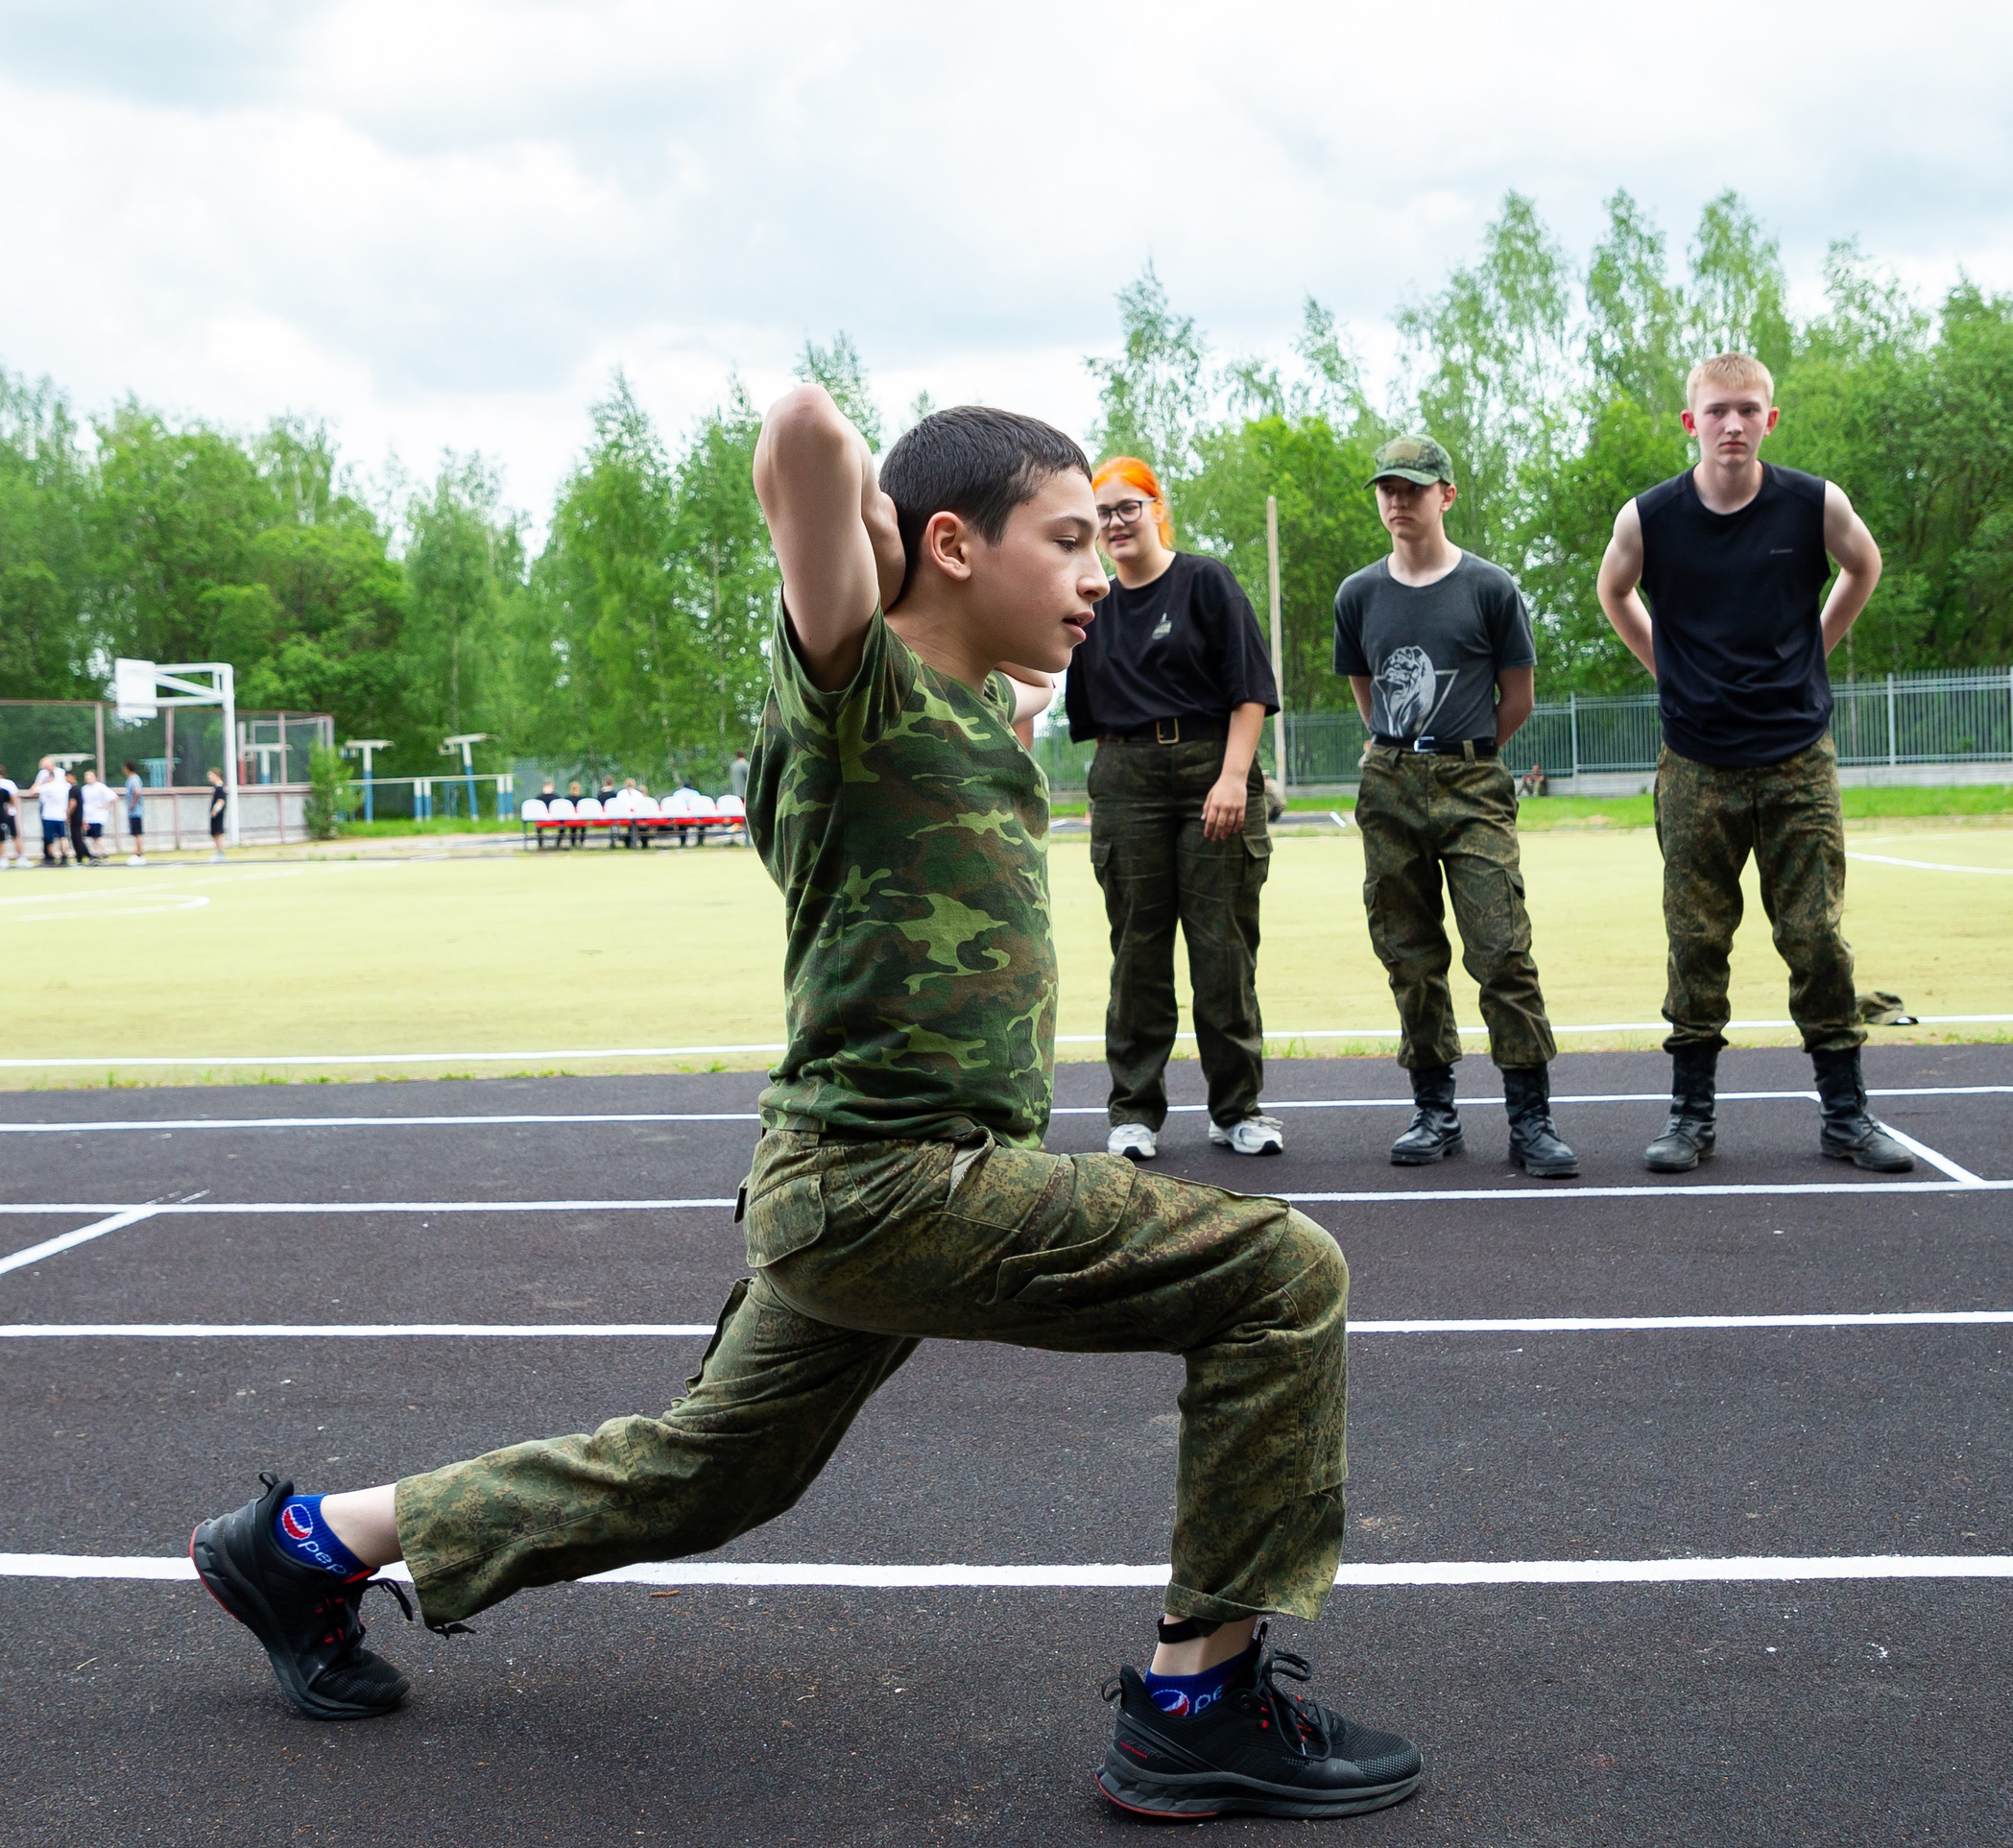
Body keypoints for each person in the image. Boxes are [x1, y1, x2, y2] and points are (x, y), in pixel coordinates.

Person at [186, 392, 1420, 1821]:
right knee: (1280, 1273)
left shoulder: (982, 693)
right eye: (1071, 538)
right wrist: (875, 545)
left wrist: (993, 629)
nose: (1102, 572)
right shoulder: (862, 684)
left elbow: (1002, 657)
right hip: (895, 1181)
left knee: (707, 1471)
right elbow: (801, 434)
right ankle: (1198, 1701)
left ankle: (301, 1545)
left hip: (866, 1187)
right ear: (949, 547)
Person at [1594, 350, 1914, 1176]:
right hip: (1696, 761)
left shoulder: (1814, 504)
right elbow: (1615, 592)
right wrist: (1668, 666)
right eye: (1716, 410)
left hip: (1796, 757)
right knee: (1695, 939)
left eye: (1747, 409)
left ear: (1770, 419)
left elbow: (1864, 566)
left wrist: (1815, 647)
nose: (1731, 424)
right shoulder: (1649, 518)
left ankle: (1845, 1116)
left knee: (1815, 936)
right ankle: (1690, 1118)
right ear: (1690, 421)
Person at [1333, 433, 1578, 1179]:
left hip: (1473, 781)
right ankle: (1434, 1111)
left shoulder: (1489, 588)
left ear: (1447, 493)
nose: (1398, 500)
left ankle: (1531, 1120)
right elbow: (1367, 696)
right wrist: (1399, 751)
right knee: (1408, 952)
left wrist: (1462, 749)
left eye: (1413, 487)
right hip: (1389, 784)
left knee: (1501, 948)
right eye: (1388, 488)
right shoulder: (1358, 594)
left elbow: (1520, 697)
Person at [1066, 456, 1283, 1162]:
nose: (1116, 523)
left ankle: (1237, 1108)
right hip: (1125, 779)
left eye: (1128, 506)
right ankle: (1134, 1112)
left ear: (1157, 508)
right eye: (1102, 514)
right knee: (1136, 956)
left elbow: (1250, 690)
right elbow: (1091, 716)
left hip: (1210, 768)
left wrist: (1231, 778)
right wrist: (1110, 794)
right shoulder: (1090, 602)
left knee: (1223, 951)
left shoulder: (1205, 583)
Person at [36, 759, 72, 865]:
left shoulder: (46, 787)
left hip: (48, 815)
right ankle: (64, 856)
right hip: (61, 814)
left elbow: (35, 791)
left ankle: (51, 857)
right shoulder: (65, 787)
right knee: (63, 837)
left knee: (49, 838)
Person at [79, 768, 113, 861]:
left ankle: (104, 853)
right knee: (92, 837)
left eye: (90, 776)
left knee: (97, 836)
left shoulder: (100, 787)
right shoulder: (84, 789)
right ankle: (96, 854)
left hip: (98, 816)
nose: (88, 778)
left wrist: (104, 806)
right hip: (88, 817)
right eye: (86, 776)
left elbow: (113, 798)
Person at [122, 762, 147, 864]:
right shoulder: (131, 779)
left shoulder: (134, 779)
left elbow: (137, 791)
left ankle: (139, 853)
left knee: (137, 833)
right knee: (135, 833)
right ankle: (138, 852)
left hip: (136, 811)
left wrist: (133, 803)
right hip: (133, 812)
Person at [0, 768, 22, 867]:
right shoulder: (9, 783)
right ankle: (20, 857)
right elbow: (14, 797)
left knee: (2, 837)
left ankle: (3, 858)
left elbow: (12, 797)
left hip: (4, 813)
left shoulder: (7, 784)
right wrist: (13, 809)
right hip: (10, 813)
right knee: (15, 835)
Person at [205, 766, 228, 861]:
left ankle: (220, 853)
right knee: (214, 833)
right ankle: (218, 852)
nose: (209, 777)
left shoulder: (220, 788)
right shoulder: (216, 788)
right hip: (215, 815)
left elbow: (221, 801)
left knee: (218, 833)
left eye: (211, 775)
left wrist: (215, 811)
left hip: (218, 815)